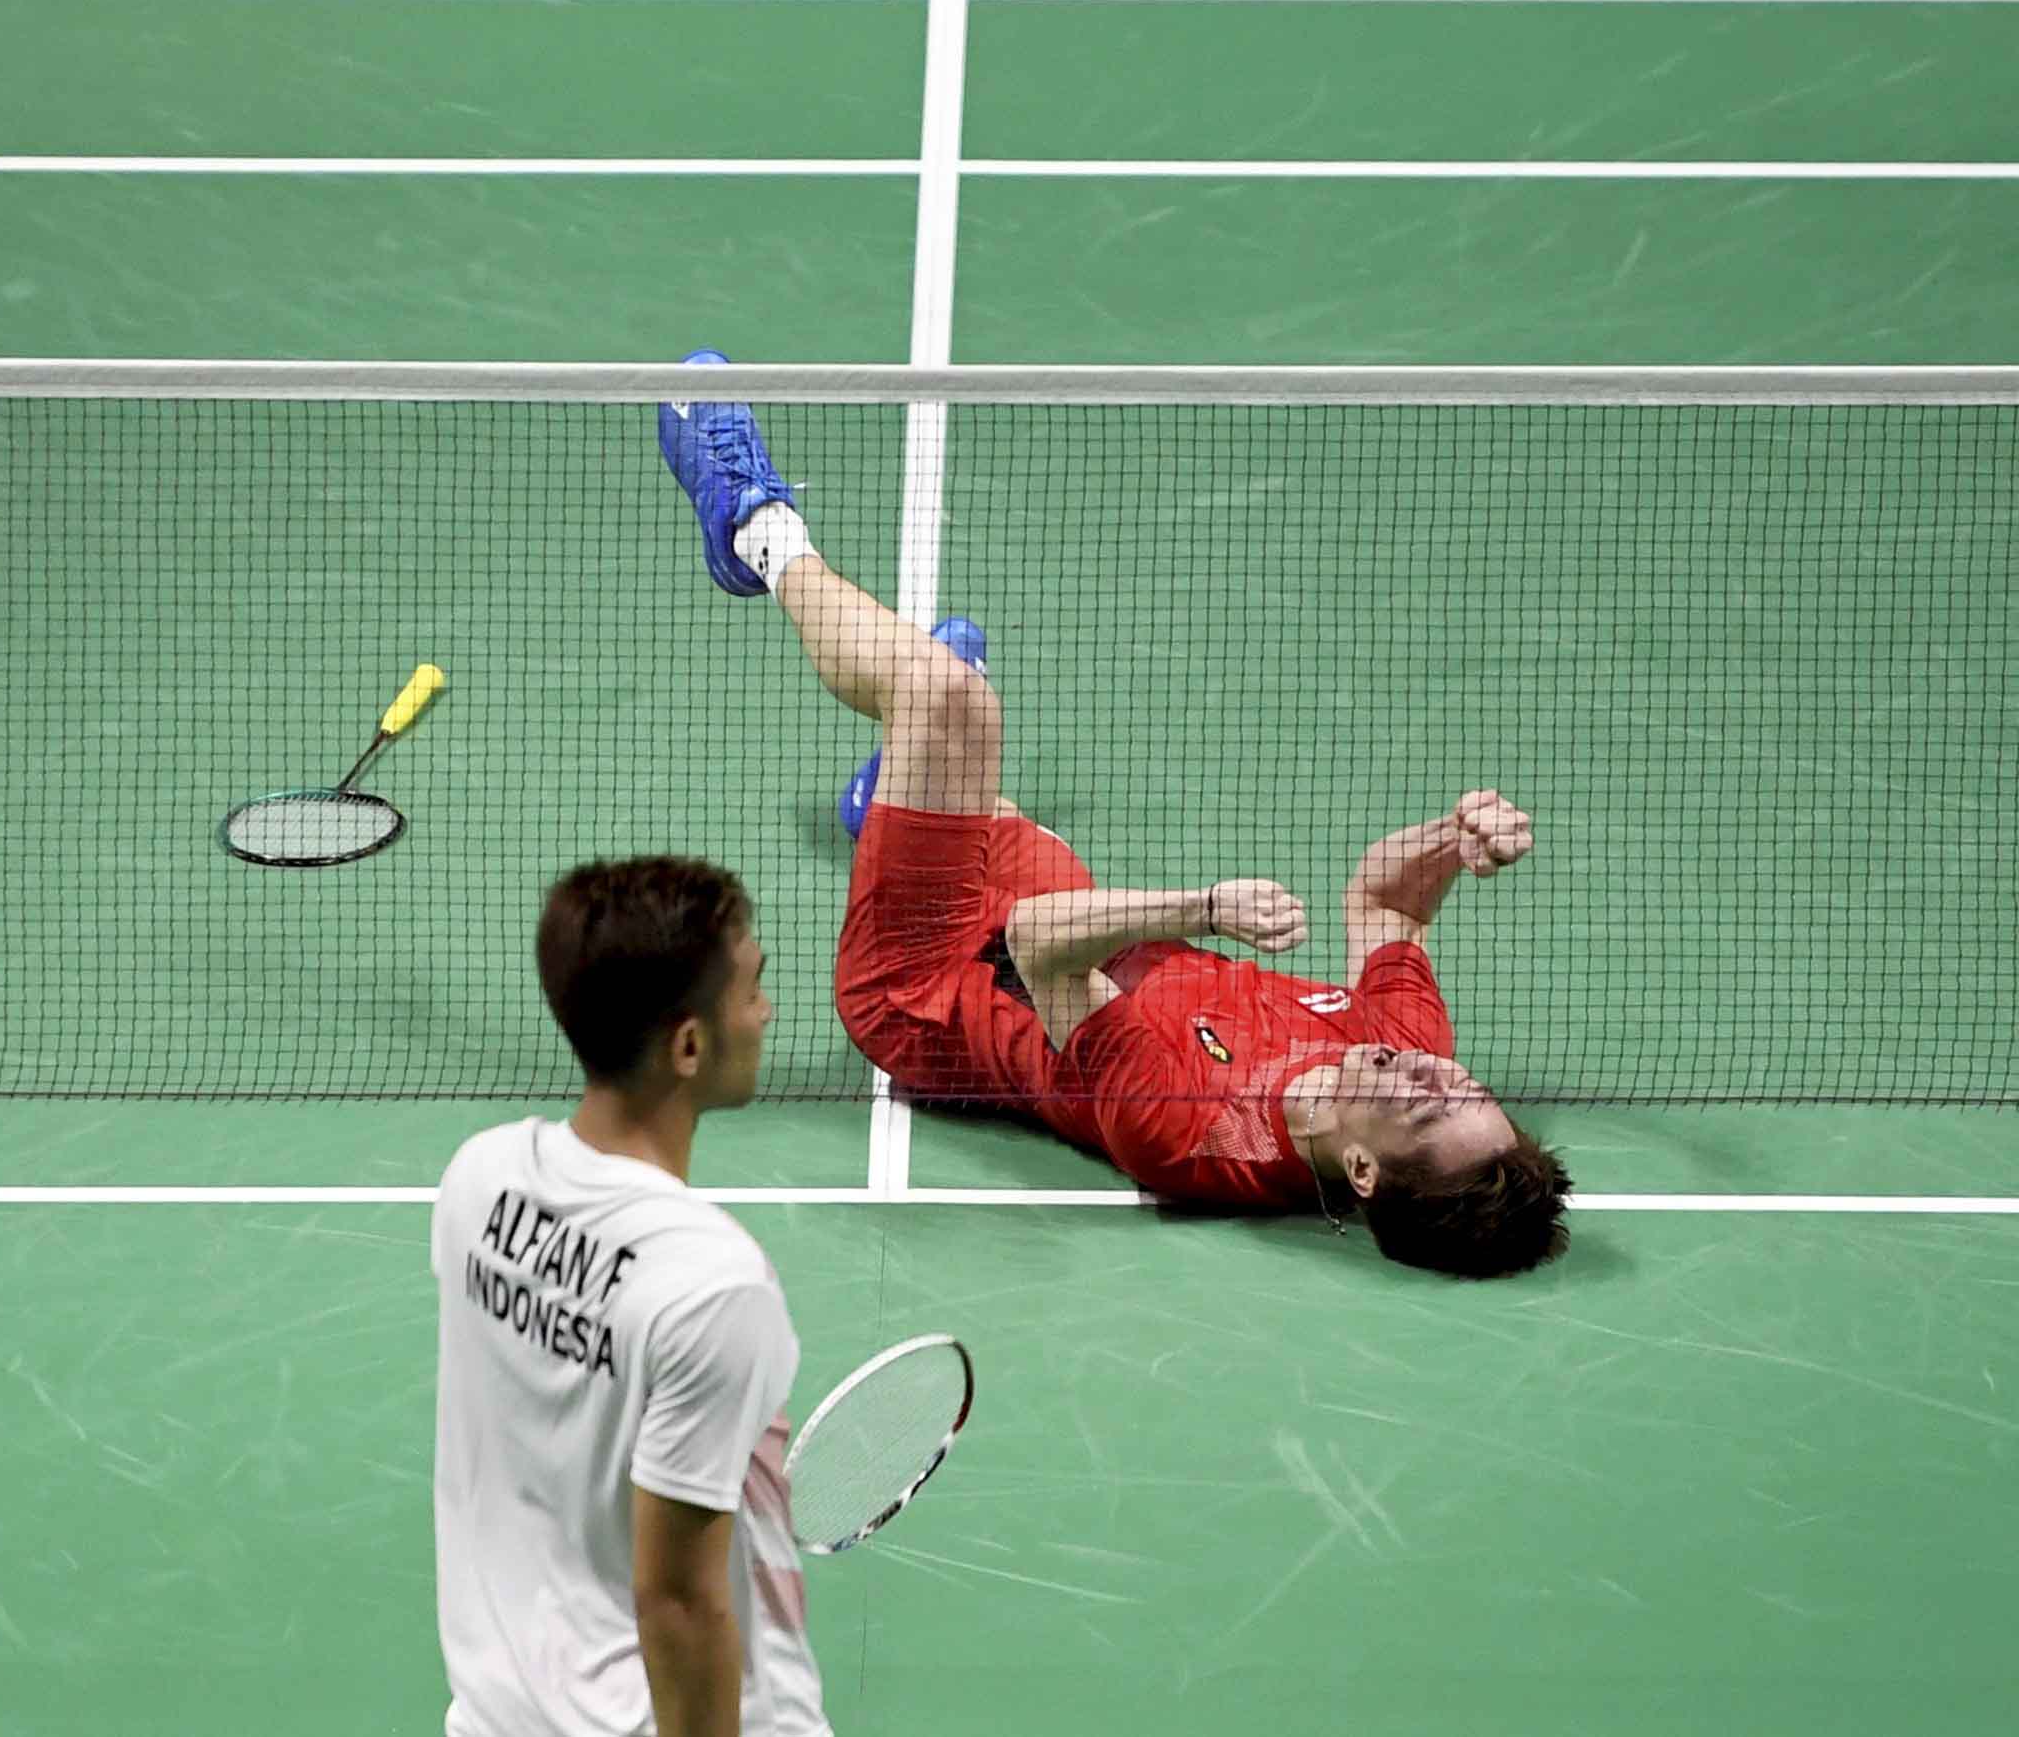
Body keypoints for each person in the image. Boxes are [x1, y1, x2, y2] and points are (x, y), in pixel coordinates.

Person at [658, 353, 1572, 1280]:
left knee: (948, 699)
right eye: (1460, 1082)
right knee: (958, 757)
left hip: (936, 985)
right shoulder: (1406, 1050)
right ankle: (893, 792)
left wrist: (1205, 908)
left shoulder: (1187, 1127)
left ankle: (753, 529)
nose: (1428, 1070)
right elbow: (1390, 906)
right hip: (1067, 919)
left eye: (1425, 1102)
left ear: (1367, 1171)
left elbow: (1037, 942)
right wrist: (1451, 845)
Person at [434, 858, 830, 1737]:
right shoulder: (712, 1282)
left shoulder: (477, 1181)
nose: (765, 1011)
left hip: (499, 1717)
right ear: (688, 1046)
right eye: (751, 987)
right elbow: (679, 1603)